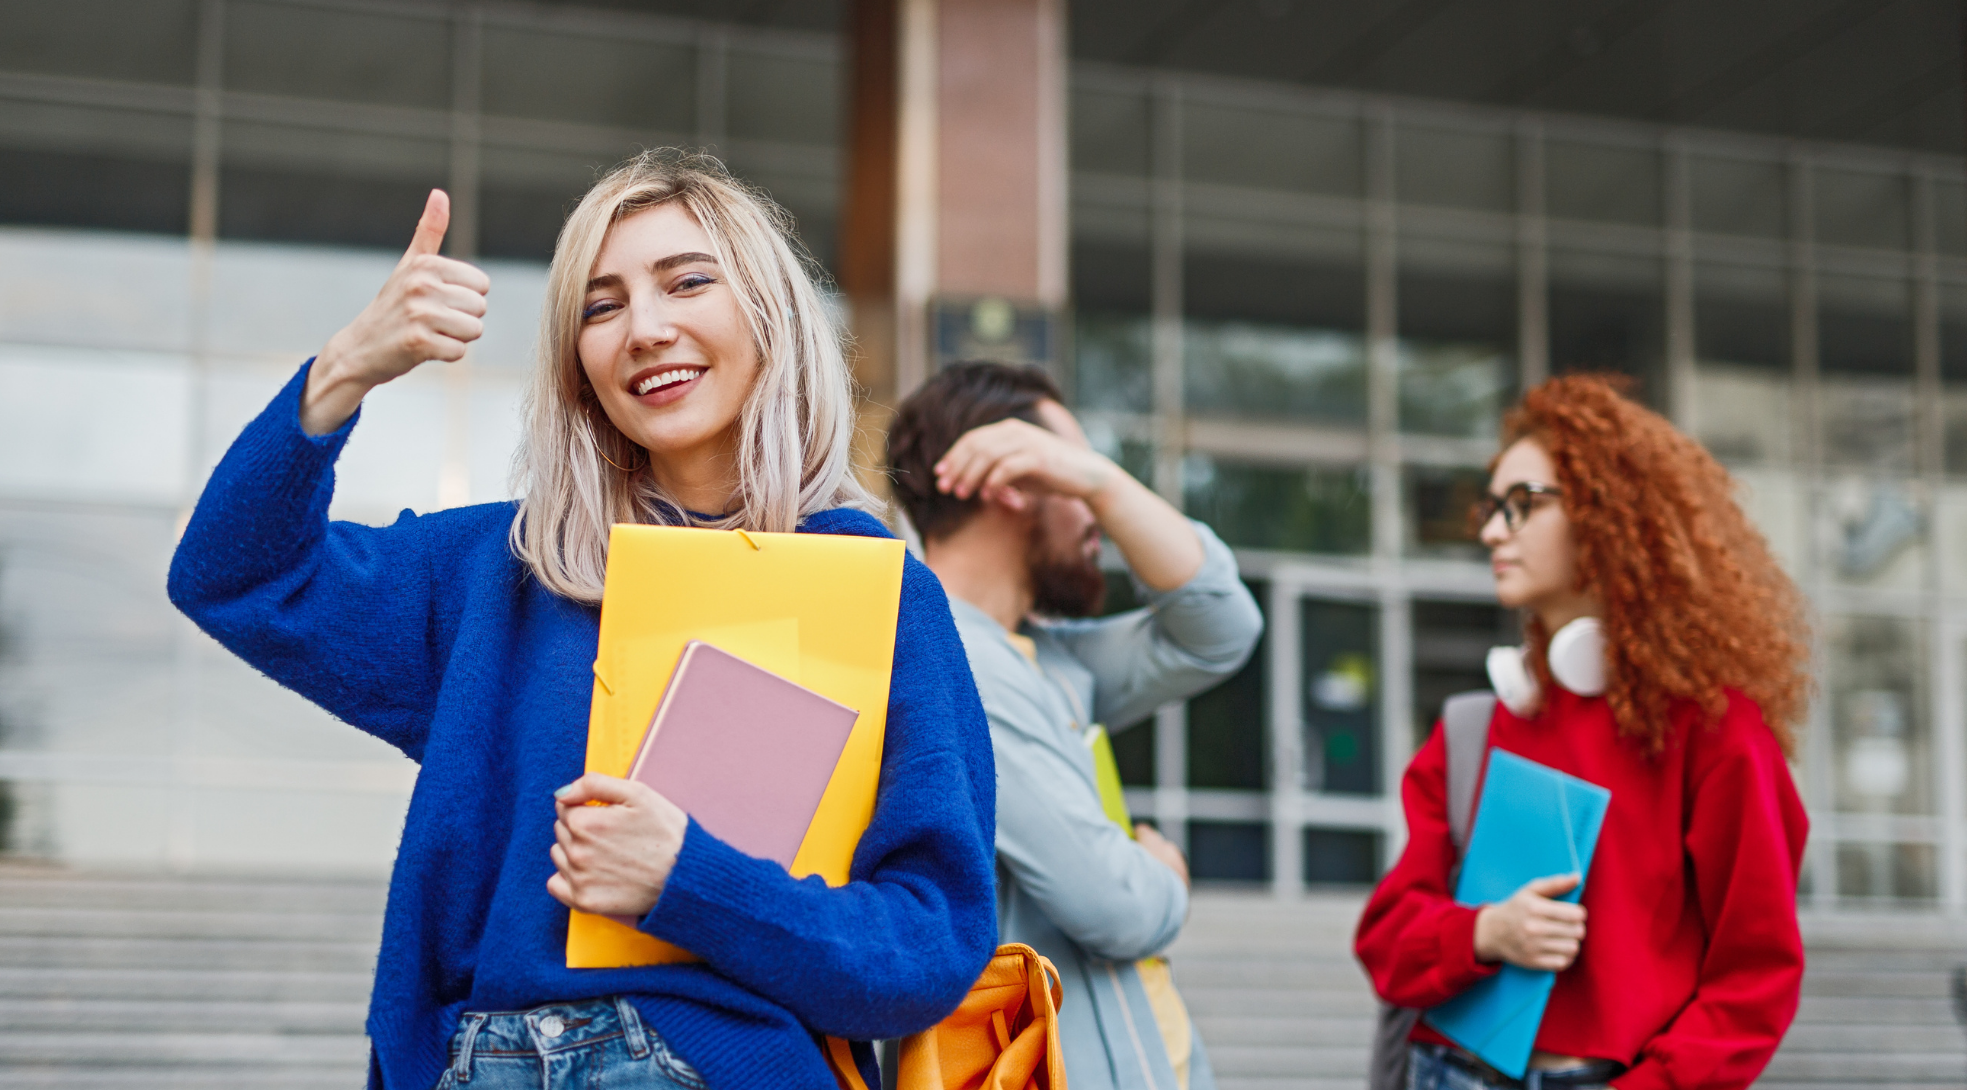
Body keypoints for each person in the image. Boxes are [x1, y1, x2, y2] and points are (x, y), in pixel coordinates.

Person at [167, 151, 998, 1090]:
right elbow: (233, 574)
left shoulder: (872, 587)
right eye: (601, 307)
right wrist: (346, 368)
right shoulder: (503, 573)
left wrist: (689, 882)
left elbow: (928, 945)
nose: (644, 328)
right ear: (577, 362)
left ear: (770, 313)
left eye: (687, 282)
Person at [1354, 376, 1811, 1090]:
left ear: (1609, 515)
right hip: (1446, 1071)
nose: (1490, 532)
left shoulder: (1717, 733)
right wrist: (1484, 932)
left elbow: (1755, 979)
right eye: (1491, 508)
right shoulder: (1480, 725)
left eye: (1522, 506)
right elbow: (1386, 940)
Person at [885, 362, 1265, 1090]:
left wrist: (1102, 484)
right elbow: (1114, 905)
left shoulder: (1047, 658)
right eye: (1076, 473)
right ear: (1012, 483)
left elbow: (1220, 626)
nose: (1100, 513)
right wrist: (1166, 874)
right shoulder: (950, 659)